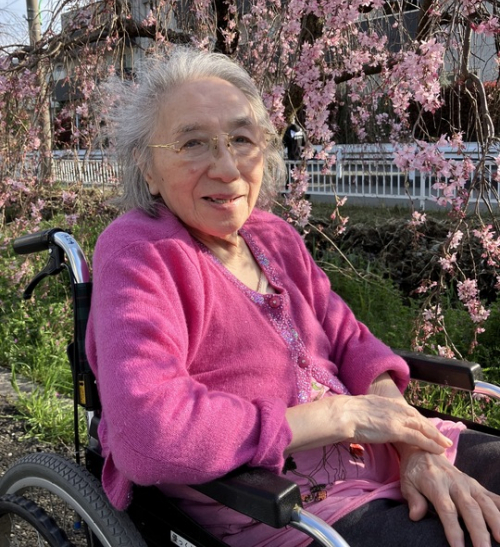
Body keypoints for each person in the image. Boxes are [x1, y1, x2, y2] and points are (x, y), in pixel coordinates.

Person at [86, 47, 500, 547]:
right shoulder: (140, 251)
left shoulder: (274, 236)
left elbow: (351, 341)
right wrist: (341, 416)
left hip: (379, 454)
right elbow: (148, 432)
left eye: (242, 139)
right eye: (193, 143)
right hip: (283, 504)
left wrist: (412, 445)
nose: (227, 168)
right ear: (147, 166)